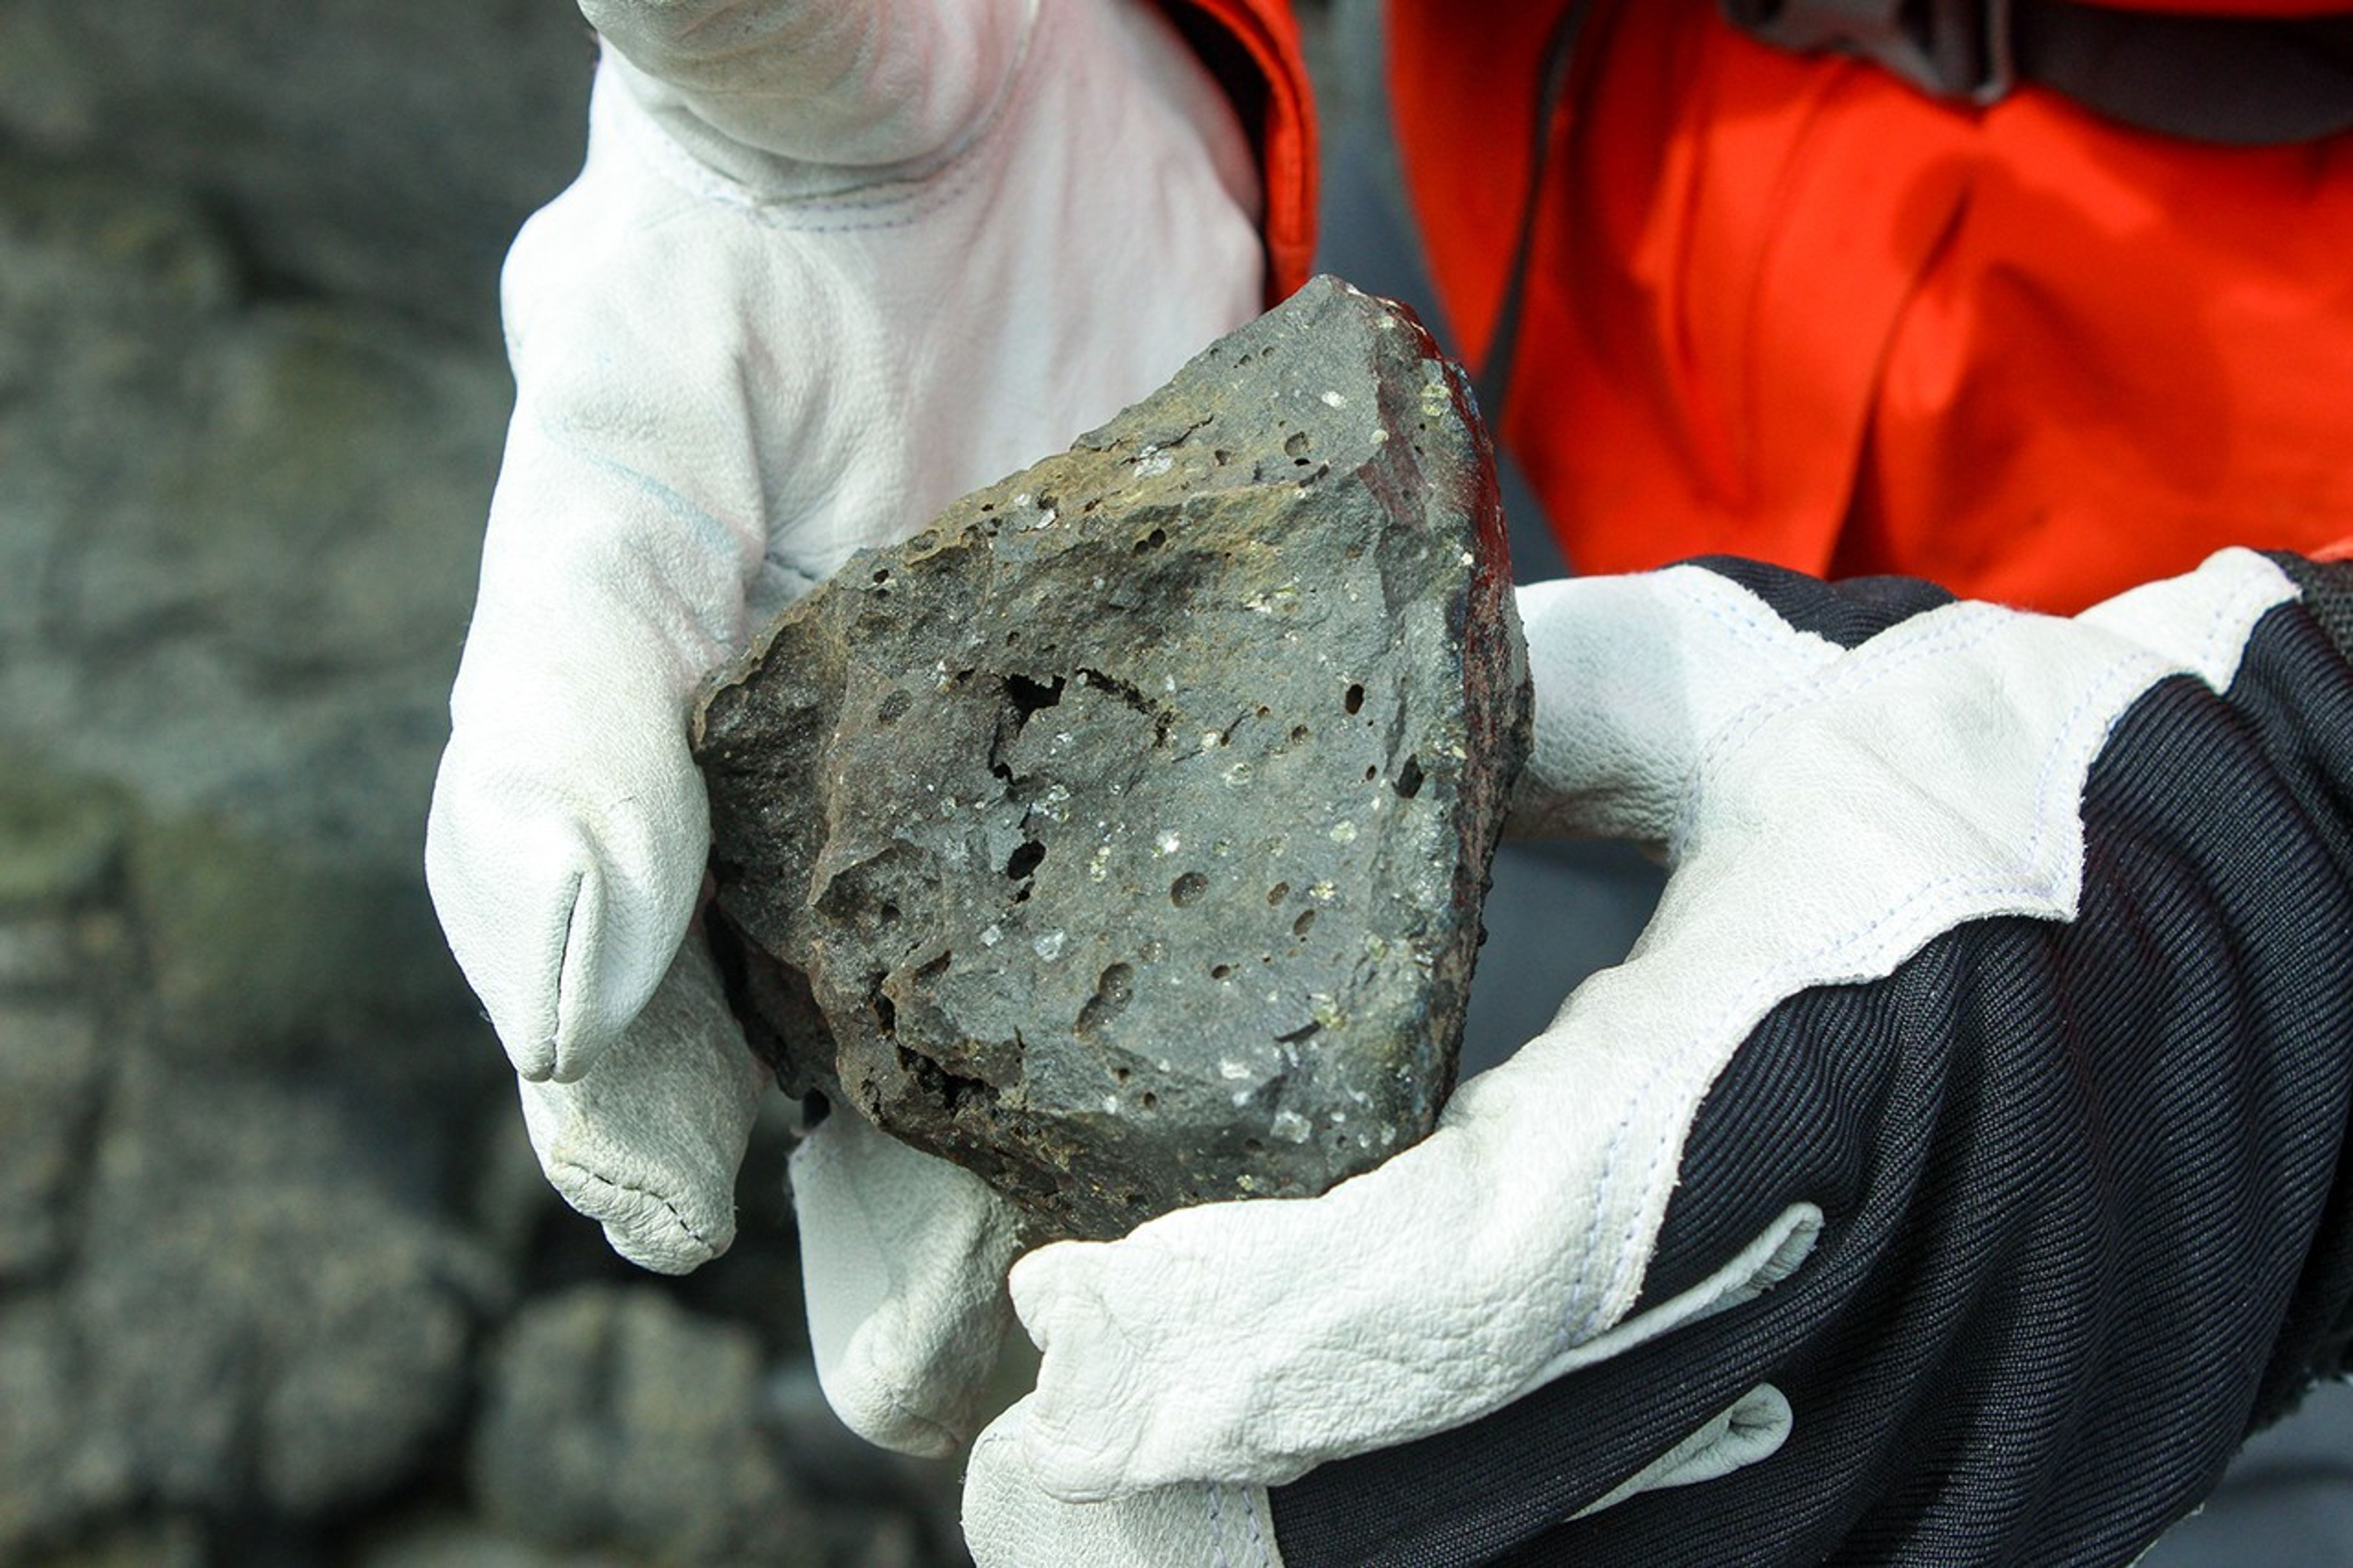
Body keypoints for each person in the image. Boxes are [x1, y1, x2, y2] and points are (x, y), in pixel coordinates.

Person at [423, 1, 2353, 1561]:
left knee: (2056, 1369)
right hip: (1520, 245)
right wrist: (1140, 32)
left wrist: (2304, 806)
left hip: (2201, 547)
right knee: (1411, 1294)